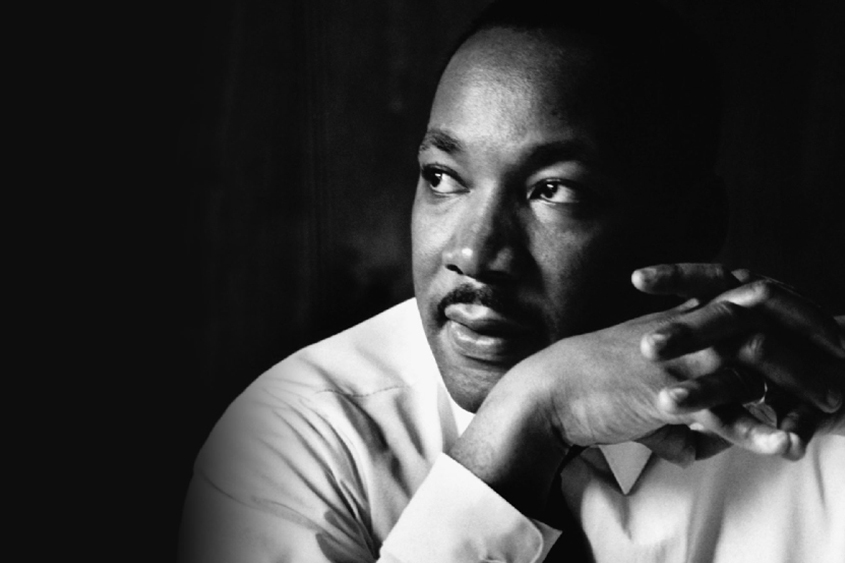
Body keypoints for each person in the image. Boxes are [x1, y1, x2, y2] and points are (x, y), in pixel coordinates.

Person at [178, 1, 844, 561]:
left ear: (694, 227)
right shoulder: (306, 436)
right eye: (442, 177)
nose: (472, 249)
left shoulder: (814, 424)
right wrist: (527, 423)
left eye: (551, 190)